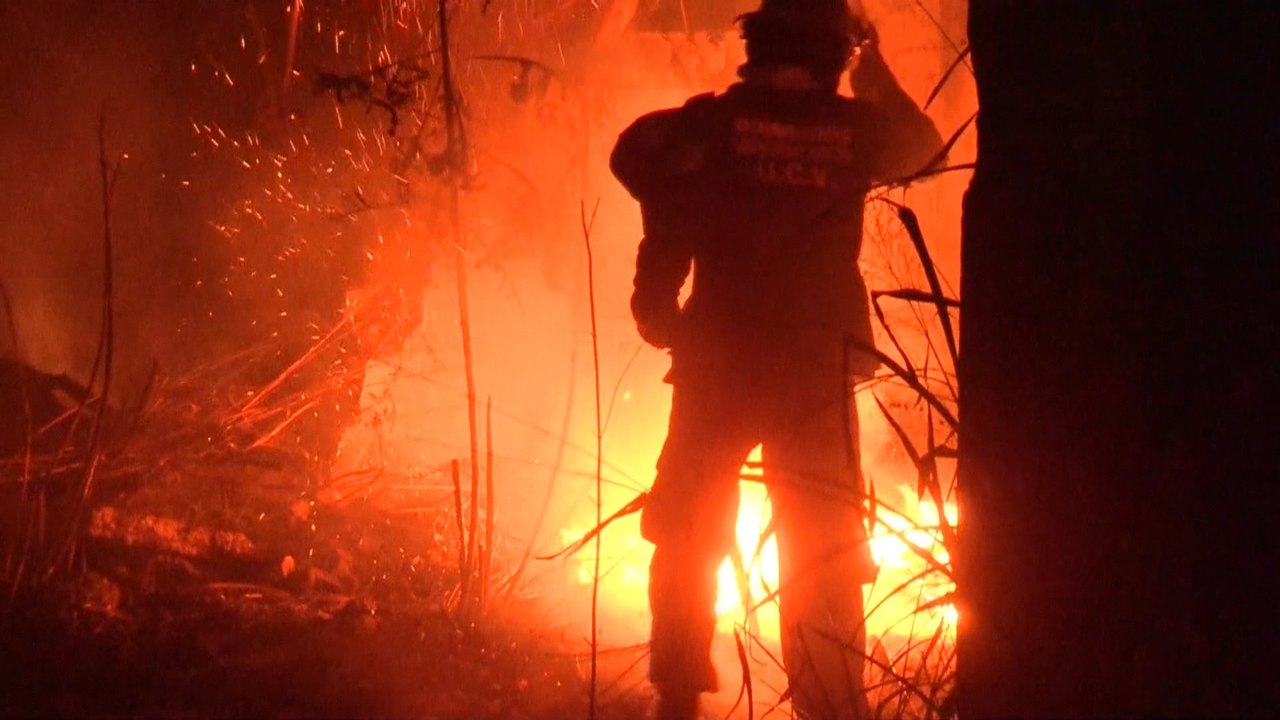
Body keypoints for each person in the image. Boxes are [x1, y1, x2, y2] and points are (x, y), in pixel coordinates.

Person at [609, 1, 942, 717]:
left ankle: (677, 699)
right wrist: (874, 66)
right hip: (816, 369)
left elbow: (637, 158)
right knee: (822, 545)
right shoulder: (853, 133)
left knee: (689, 528)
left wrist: (658, 290)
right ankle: (828, 704)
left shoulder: (706, 126)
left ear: (753, 47)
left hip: (718, 363)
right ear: (834, 57)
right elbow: (924, 146)